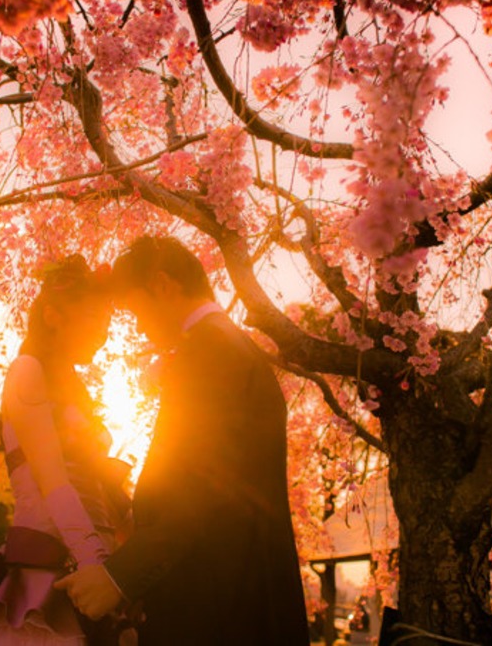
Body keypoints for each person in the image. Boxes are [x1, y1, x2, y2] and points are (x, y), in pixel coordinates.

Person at [56, 236, 309, 645]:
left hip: (221, 610)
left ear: (163, 285)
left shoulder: (211, 352)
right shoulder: (226, 346)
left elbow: (201, 490)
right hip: (228, 601)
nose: (138, 327)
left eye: (135, 311)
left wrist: (117, 578)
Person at [0, 256, 130, 646]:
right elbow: (54, 482)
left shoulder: (74, 387)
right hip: (50, 573)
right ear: (53, 315)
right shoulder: (27, 369)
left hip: (91, 576)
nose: (103, 334)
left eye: (107, 325)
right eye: (95, 321)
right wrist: (98, 564)